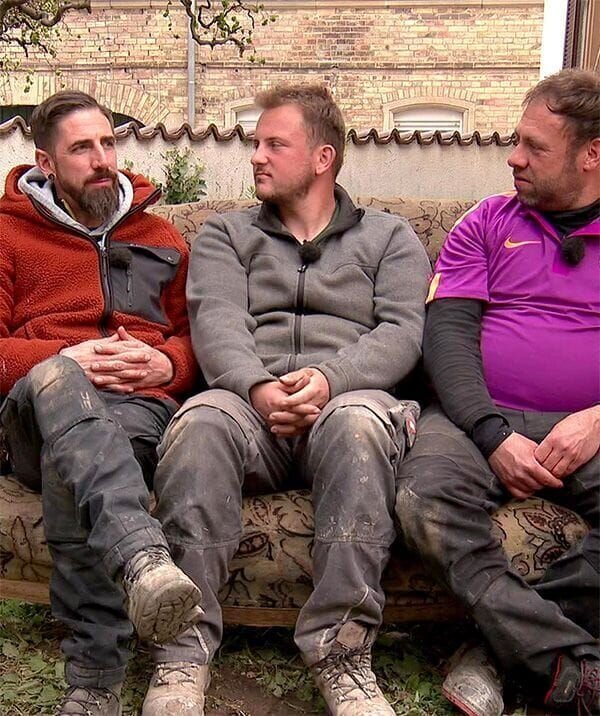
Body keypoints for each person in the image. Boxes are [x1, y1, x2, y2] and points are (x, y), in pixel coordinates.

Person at [142, 83, 430, 715]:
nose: (256, 156)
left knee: (359, 425)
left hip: (347, 401)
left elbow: (402, 332)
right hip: (250, 405)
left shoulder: (390, 237)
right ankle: (183, 652)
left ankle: (341, 654)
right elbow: (217, 321)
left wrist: (330, 379)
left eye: (275, 144)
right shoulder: (226, 234)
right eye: (256, 143)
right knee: (200, 423)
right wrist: (258, 387)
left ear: (323, 158)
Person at [396, 68, 600, 715]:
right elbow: (447, 338)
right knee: (422, 497)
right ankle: (564, 662)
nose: (514, 157)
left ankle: (498, 650)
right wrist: (491, 433)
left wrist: (598, 419)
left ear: (592, 154)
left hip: (591, 425)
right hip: (476, 417)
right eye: (517, 140)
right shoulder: (485, 221)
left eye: (535, 147)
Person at [0, 90, 204, 716]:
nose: (102, 160)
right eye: (82, 149)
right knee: (60, 382)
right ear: (46, 162)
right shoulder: (6, 234)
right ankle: (141, 557)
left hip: (136, 408)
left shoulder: (160, 236)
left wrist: (169, 364)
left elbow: (200, 338)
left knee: (79, 461)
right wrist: (61, 358)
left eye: (109, 143)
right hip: (35, 408)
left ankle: (94, 679)